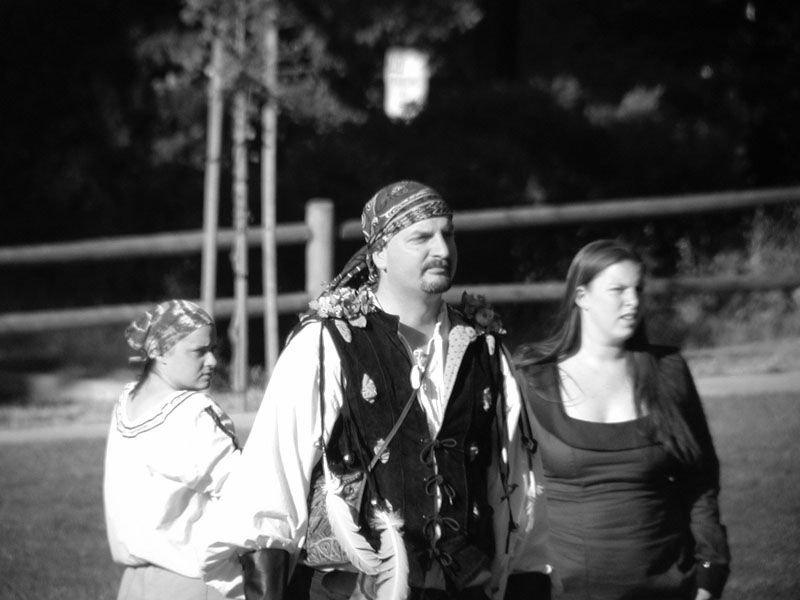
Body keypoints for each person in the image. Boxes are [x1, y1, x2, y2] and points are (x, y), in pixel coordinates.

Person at [201, 180, 552, 600]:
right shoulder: (327, 344)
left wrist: (530, 578)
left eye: (448, 234)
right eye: (421, 237)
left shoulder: (484, 349)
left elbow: (519, 488)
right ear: (380, 253)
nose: (442, 249)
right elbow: (270, 485)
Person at [513, 239, 731, 600]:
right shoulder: (531, 378)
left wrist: (710, 572)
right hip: (561, 590)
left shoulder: (669, 371)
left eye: (638, 289)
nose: (633, 301)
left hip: (668, 588)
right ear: (581, 296)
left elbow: (701, 480)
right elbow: (503, 490)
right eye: (618, 290)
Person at [104, 299, 241, 600]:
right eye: (199, 351)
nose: (212, 361)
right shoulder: (193, 413)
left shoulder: (127, 403)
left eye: (212, 349)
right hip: (195, 584)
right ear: (159, 351)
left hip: (134, 586)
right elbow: (247, 495)